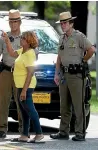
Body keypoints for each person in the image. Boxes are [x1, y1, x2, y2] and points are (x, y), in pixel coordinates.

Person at [50, 11, 95, 141]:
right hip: (64, 74)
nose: (63, 25)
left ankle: (80, 133)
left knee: (78, 105)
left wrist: (83, 60)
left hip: (76, 75)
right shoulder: (61, 38)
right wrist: (57, 73)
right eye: (61, 23)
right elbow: (59, 56)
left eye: (65, 23)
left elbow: (91, 49)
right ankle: (63, 132)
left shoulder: (79, 36)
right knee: (64, 105)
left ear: (71, 23)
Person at [1, 30, 44, 143]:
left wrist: (24, 91)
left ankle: (39, 133)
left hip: (27, 86)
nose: (21, 39)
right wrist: (6, 40)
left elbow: (30, 73)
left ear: (29, 41)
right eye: (21, 38)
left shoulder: (30, 53)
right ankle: (25, 134)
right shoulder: (22, 51)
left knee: (30, 109)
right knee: (24, 110)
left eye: (23, 38)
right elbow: (11, 53)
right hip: (20, 85)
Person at [0, 9, 23, 138]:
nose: (13, 24)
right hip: (6, 71)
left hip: (20, 73)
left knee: (21, 101)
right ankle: (1, 129)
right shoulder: (3, 38)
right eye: (11, 21)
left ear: (20, 22)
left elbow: (33, 55)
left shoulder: (26, 38)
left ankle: (23, 128)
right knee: (3, 101)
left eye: (15, 21)